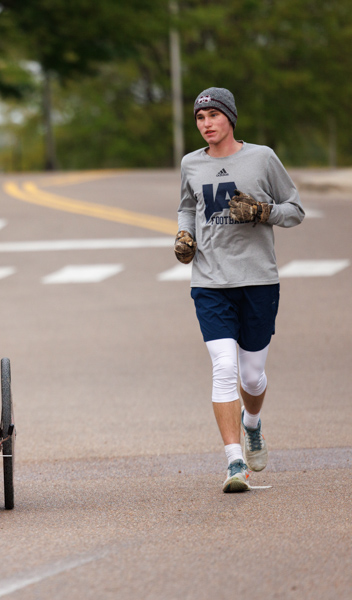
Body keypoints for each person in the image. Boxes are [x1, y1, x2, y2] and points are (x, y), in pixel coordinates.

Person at [175, 87, 304, 493]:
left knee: (252, 376)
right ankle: (234, 463)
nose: (206, 123)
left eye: (213, 115)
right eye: (200, 118)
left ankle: (252, 425)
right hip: (211, 282)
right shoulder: (191, 164)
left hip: (258, 280)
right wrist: (184, 234)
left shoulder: (262, 158)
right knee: (224, 369)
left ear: (230, 117)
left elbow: (295, 210)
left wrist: (264, 212)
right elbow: (187, 205)